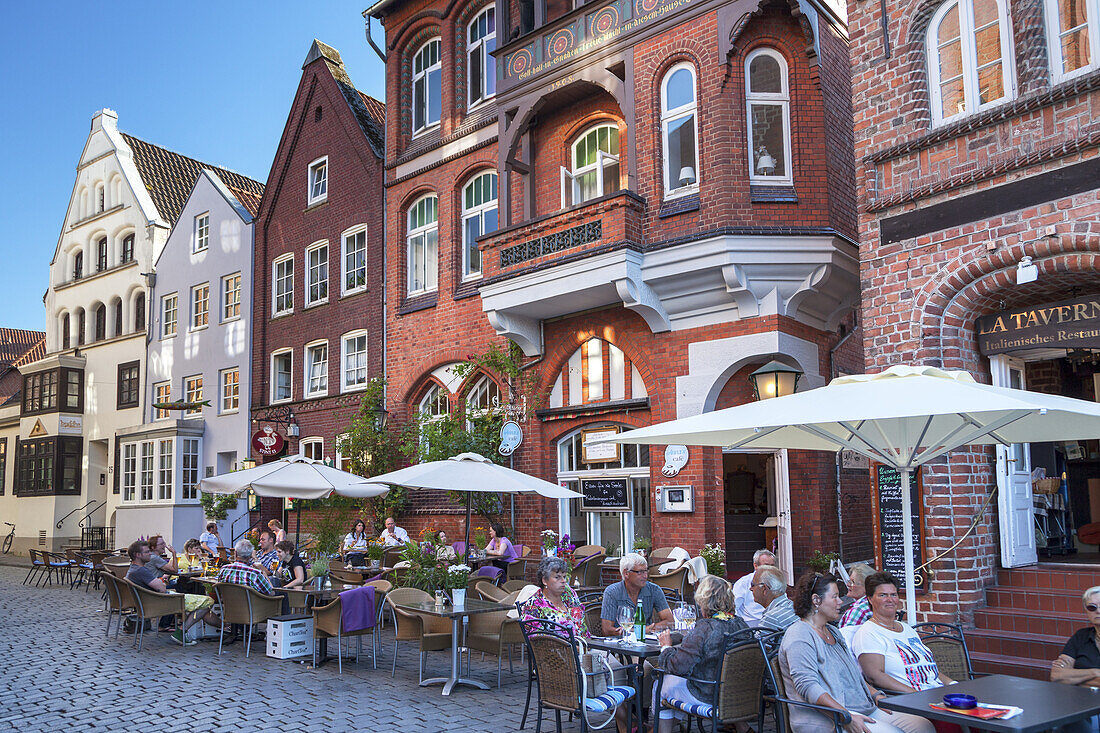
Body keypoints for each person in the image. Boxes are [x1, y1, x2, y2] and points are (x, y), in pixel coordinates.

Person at [779, 572, 934, 733]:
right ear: (816, 600)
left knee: (923, 726)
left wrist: (875, 695)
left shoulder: (833, 632)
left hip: (863, 707)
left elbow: (853, 675)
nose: (840, 601)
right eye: (835, 597)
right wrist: (845, 716)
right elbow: (807, 686)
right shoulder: (799, 634)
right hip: (829, 718)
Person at [523, 556, 630, 733]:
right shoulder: (535, 605)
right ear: (544, 580)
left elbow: (582, 628)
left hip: (587, 649)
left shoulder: (569, 594)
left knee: (618, 668)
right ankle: (629, 724)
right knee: (605, 670)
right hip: (559, 659)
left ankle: (626, 722)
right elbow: (539, 643)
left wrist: (590, 648)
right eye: (557, 577)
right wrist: (573, 649)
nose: (563, 581)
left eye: (564, 576)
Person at [654, 575, 748, 732]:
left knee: (661, 684)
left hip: (708, 695)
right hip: (738, 695)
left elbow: (677, 667)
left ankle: (661, 730)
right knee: (672, 684)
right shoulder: (741, 624)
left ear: (704, 602)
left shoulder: (706, 628)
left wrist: (666, 647)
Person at [853, 571, 954, 693]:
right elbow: (875, 676)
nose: (890, 599)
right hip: (909, 700)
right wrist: (914, 694)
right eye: (883, 595)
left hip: (937, 693)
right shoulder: (868, 633)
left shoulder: (907, 629)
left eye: (894, 594)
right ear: (870, 599)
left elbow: (927, 667)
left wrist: (952, 684)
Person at [126, 539, 219, 646]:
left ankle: (220, 627)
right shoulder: (141, 571)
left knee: (201, 605)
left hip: (152, 601)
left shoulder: (133, 569)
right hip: (163, 602)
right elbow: (162, 589)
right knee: (208, 600)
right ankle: (181, 631)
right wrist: (162, 582)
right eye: (147, 552)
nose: (149, 554)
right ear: (137, 555)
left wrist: (161, 582)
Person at [1050, 586, 1100, 733]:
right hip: (1078, 701)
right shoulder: (1081, 636)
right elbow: (1057, 676)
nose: (1097, 611)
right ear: (1086, 611)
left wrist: (1075, 676)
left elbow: (1065, 676)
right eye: (1092, 607)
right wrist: (1096, 673)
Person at [600, 552, 674, 636]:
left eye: (646, 571)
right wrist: (640, 631)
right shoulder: (612, 592)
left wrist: (649, 629)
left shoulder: (654, 590)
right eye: (640, 572)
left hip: (647, 642)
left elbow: (670, 621)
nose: (645, 576)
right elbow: (606, 630)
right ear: (626, 573)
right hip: (621, 643)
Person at [732, 548, 776, 627]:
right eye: (766, 565)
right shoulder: (743, 583)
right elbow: (734, 606)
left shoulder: (777, 582)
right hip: (749, 623)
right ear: (756, 566)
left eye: (772, 566)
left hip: (772, 621)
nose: (770, 569)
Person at [755, 565, 797, 632]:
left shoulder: (772, 618)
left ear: (764, 589)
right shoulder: (793, 607)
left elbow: (759, 641)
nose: (750, 589)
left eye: (753, 585)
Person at [840, 563, 876, 627]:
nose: (848, 584)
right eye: (849, 581)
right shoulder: (876, 604)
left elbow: (847, 636)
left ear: (866, 587)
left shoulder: (859, 610)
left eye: (852, 582)